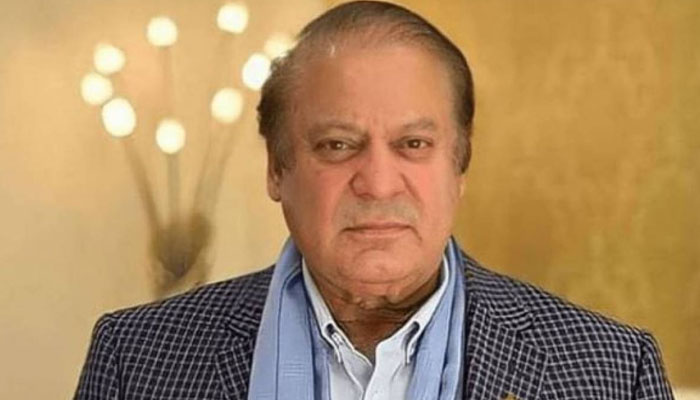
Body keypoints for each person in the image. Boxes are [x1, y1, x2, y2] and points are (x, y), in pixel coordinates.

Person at [75, 2, 674, 399]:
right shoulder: (137, 360)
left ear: (459, 166)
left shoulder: (612, 371)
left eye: (414, 144)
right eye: (338, 145)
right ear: (276, 168)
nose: (380, 183)